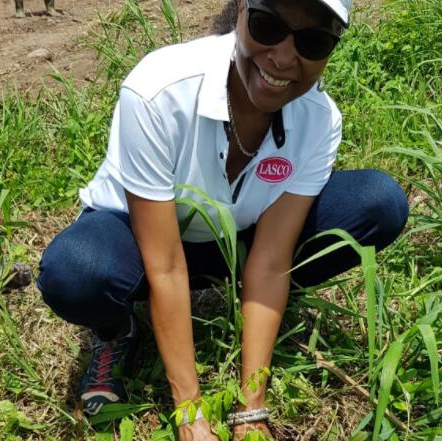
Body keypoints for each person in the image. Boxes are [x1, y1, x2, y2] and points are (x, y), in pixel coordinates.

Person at [37, 0, 409, 439]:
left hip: (238, 239)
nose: (285, 58)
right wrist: (190, 413)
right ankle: (116, 329)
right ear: (241, 13)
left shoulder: (319, 119)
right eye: (268, 26)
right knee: (77, 271)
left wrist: (251, 410)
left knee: (378, 202)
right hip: (142, 241)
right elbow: (165, 263)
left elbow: (272, 260)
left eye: (313, 41)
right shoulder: (159, 90)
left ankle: (250, 309)